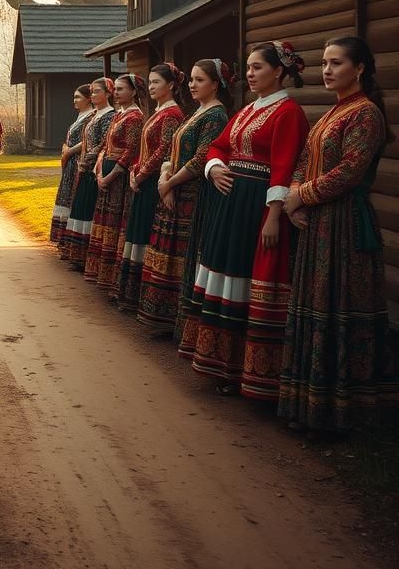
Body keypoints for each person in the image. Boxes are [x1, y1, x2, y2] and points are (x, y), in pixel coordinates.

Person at [279, 37, 398, 434]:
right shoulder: (333, 111)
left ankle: (342, 413)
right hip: (318, 221)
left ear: (360, 67)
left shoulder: (366, 114)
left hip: (344, 224)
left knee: (338, 303)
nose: (327, 70)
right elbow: (303, 160)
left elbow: (349, 171)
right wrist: (295, 196)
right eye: (325, 63)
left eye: (337, 63)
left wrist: (301, 198)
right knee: (316, 303)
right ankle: (310, 406)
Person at [179, 41, 309, 399]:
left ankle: (245, 370)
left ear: (279, 72)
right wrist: (215, 167)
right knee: (226, 274)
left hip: (257, 207)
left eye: (258, 68)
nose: (250, 74)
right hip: (230, 204)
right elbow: (219, 145)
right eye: (249, 68)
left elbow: (283, 167)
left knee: (246, 279)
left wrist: (273, 217)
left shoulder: (288, 112)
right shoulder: (249, 110)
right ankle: (219, 361)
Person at [137, 60, 231, 337]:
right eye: (191, 79)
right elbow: (173, 151)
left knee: (183, 255)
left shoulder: (216, 116)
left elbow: (202, 157)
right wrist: (166, 177)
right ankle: (160, 316)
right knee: (168, 252)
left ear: (215, 84)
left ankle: (177, 323)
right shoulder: (196, 112)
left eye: (199, 80)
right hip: (174, 189)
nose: (192, 84)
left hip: (193, 194)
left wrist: (169, 184)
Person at [114, 65, 185, 311]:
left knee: (145, 234)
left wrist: (141, 174)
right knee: (137, 233)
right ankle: (130, 295)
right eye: (151, 82)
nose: (152, 87)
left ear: (172, 85)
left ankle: (141, 297)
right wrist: (135, 171)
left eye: (157, 82)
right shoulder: (157, 112)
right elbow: (144, 149)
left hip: (154, 181)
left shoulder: (173, 114)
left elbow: (164, 149)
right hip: (142, 180)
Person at [84, 74, 146, 289]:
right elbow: (105, 146)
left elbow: (130, 151)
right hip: (106, 173)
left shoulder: (135, 117)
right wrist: (99, 171)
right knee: (105, 222)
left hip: (118, 179)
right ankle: (103, 275)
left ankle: (114, 279)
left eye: (121, 89)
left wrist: (110, 176)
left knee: (116, 223)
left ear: (134, 92)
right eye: (116, 89)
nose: (117, 93)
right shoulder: (119, 115)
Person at [65, 78, 116, 270]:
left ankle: (86, 256)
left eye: (96, 92)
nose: (93, 95)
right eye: (92, 92)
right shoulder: (94, 115)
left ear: (108, 94)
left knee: (88, 210)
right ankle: (76, 254)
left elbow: (103, 143)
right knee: (80, 208)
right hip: (84, 169)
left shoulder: (110, 115)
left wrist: (86, 162)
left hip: (94, 169)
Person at [51, 86, 93, 256]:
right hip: (69, 162)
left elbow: (86, 141)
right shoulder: (79, 116)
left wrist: (70, 150)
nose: (75, 100)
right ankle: (64, 241)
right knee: (66, 198)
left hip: (77, 161)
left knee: (73, 200)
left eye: (78, 97)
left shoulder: (91, 116)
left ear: (88, 99)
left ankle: (70, 243)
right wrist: (65, 148)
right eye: (74, 97)